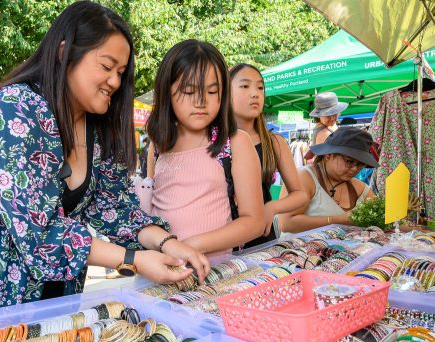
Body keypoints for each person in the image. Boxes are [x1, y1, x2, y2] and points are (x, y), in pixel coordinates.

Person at [0, 2, 209, 317]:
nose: (116, 82)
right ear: (64, 53)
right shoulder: (9, 108)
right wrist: (132, 259)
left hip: (54, 293)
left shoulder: (98, 132)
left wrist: (168, 244)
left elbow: (117, 210)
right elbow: (37, 233)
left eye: (121, 73)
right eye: (107, 67)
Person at [146, 40, 264, 256]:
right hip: (160, 275)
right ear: (166, 92)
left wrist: (190, 246)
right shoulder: (159, 145)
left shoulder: (235, 143)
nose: (200, 102)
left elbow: (254, 221)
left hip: (215, 276)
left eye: (211, 92)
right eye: (189, 92)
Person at [229, 64, 306, 246]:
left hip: (262, 237)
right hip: (221, 237)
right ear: (225, 93)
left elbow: (300, 194)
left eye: (260, 87)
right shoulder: (213, 141)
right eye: (245, 86)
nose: (255, 93)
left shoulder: (274, 142)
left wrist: (271, 207)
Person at [278, 127, 377, 235]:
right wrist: (338, 220)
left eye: (360, 164)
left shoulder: (361, 189)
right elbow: (286, 223)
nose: (355, 168)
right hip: (297, 250)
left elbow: (382, 218)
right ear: (329, 155)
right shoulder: (303, 177)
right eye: (349, 161)